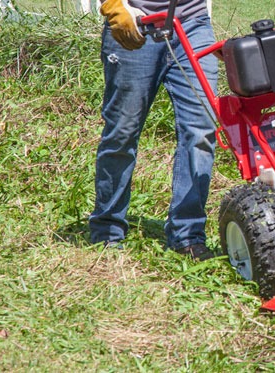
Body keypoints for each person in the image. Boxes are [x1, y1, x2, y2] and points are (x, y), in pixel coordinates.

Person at [89, 0, 218, 261]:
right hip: (137, 22)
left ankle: (188, 235)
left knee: (201, 130)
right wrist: (113, 5)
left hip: (193, 25)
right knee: (122, 131)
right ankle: (108, 229)